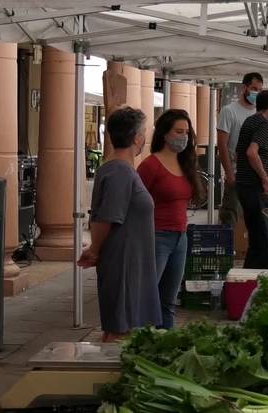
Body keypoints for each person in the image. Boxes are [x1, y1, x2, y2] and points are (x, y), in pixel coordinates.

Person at [78, 106, 160, 342]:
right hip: (124, 261)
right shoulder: (120, 172)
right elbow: (106, 217)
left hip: (132, 260)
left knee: (128, 328)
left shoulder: (119, 170)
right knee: (120, 331)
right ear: (137, 138)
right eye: (144, 132)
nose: (145, 137)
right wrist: (94, 250)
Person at [137, 109, 204, 329]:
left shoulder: (185, 164)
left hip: (180, 237)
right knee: (147, 296)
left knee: (168, 300)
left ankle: (167, 343)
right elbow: (136, 203)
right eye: (178, 131)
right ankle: (140, 340)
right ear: (165, 133)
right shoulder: (150, 166)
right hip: (156, 236)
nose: (184, 136)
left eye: (186, 132)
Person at [236, 90, 268, 269]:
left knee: (256, 239)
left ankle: (250, 279)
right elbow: (251, 152)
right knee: (265, 240)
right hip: (255, 188)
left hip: (245, 186)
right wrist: (265, 181)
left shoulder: (249, 121)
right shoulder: (263, 123)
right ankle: (262, 281)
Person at [216, 72, 264, 225]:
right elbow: (222, 145)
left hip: (255, 178)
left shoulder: (259, 113)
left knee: (251, 223)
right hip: (236, 176)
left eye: (260, 90)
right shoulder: (229, 111)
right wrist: (230, 175)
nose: (257, 93)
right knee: (232, 219)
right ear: (245, 87)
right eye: (254, 88)